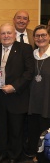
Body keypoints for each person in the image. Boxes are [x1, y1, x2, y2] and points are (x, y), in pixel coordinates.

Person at [0, 23, 34, 163]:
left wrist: (14, 86)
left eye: (9, 33)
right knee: (1, 128)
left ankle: (14, 155)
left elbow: (29, 72)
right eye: (3, 33)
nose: (6, 36)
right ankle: (2, 153)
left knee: (16, 129)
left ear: (14, 34)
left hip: (17, 96)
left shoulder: (25, 48)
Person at [26, 25, 50, 163]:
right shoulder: (31, 55)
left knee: (46, 131)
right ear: (34, 38)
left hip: (47, 100)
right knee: (34, 131)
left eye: (43, 35)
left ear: (49, 36)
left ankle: (45, 156)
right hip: (33, 100)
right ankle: (37, 154)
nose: (40, 38)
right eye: (37, 36)